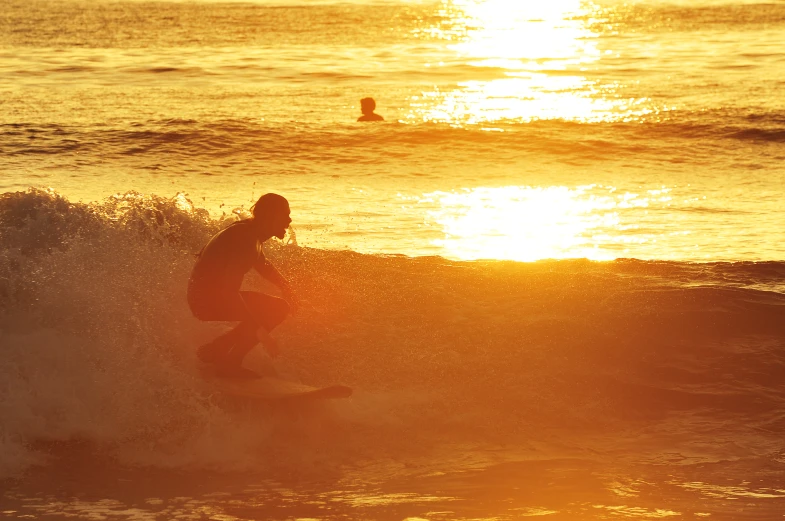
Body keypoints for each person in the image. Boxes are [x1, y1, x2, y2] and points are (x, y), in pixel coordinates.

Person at [188, 193, 297, 379]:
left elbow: (263, 265)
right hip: (207, 300)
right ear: (271, 216)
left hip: (204, 297)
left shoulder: (249, 232)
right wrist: (262, 333)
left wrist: (286, 287)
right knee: (276, 309)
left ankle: (216, 350)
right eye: (285, 215)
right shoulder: (246, 239)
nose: (289, 220)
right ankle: (229, 364)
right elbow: (228, 291)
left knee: (275, 308)